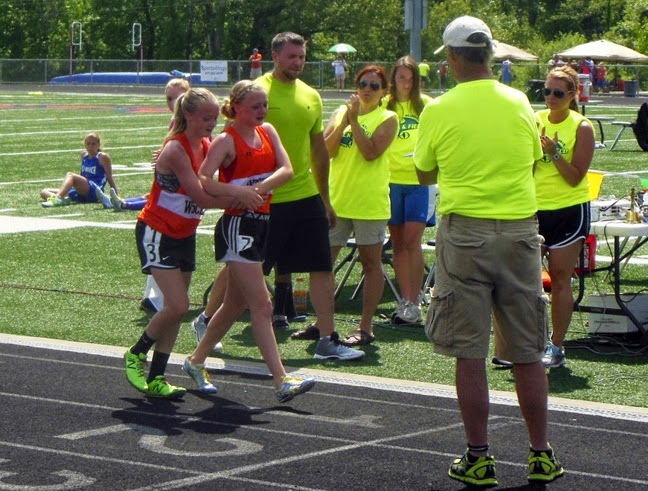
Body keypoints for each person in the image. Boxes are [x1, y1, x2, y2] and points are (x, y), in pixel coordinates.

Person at [414, 16, 564, 487]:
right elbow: (534, 158)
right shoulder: (520, 101)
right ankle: (541, 453)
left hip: (465, 233)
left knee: (469, 351)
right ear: (490, 54)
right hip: (520, 229)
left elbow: (423, 172)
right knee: (526, 351)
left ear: (454, 57)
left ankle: (479, 456)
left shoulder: (439, 108)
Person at [182, 80, 315, 402]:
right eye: (255, 106)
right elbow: (203, 180)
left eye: (264, 105)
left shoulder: (268, 131)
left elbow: (287, 170)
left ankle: (195, 360)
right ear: (237, 107)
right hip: (238, 225)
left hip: (261, 222)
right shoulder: (226, 141)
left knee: (235, 304)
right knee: (263, 305)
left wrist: (255, 189)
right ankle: (281, 379)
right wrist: (237, 192)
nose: (262, 111)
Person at [255, 32, 364, 361]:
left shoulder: (311, 96)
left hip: (305, 194)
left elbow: (319, 151)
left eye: (301, 57)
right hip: (266, 198)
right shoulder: (257, 91)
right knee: (246, 270)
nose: (298, 63)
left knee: (321, 265)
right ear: (275, 56)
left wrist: (326, 199)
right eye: (291, 57)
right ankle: (207, 321)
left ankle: (327, 339)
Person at [124, 88, 235, 399]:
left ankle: (157, 377)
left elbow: (220, 182)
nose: (213, 122)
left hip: (183, 234)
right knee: (179, 306)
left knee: (175, 311)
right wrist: (239, 198)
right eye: (206, 117)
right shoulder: (176, 149)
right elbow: (200, 195)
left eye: (216, 117)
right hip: (158, 231)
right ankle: (136, 353)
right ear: (189, 115)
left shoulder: (207, 145)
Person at [324, 65, 398, 346]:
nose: (367, 89)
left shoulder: (388, 117)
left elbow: (369, 153)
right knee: (323, 264)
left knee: (371, 264)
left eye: (374, 86)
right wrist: (344, 121)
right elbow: (327, 151)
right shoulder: (339, 113)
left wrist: (354, 121)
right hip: (338, 201)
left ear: (384, 92)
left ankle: (365, 327)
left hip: (369, 204)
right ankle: (323, 323)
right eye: (363, 84)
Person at [535, 66, 595, 368]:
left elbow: (575, 177)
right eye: (546, 91)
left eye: (558, 93)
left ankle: (556, 345)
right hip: (535, 208)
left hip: (569, 210)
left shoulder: (582, 127)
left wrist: (555, 153)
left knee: (559, 278)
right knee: (527, 279)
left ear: (572, 95)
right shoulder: (535, 121)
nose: (551, 98)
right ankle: (528, 342)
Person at [385, 56, 433, 325]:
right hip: (391, 182)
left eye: (410, 77)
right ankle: (405, 300)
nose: (405, 83)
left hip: (418, 182)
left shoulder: (425, 105)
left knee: (413, 242)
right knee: (399, 244)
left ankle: (415, 300)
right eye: (401, 77)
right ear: (393, 78)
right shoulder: (385, 104)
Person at [111, 78, 190, 213]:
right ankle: (122, 202)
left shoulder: (189, 120)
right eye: (169, 98)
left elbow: (189, 147)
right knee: (157, 193)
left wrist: (167, 157)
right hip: (176, 168)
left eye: (177, 98)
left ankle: (125, 205)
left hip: (185, 170)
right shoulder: (175, 119)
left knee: (164, 196)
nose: (172, 103)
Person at [40, 133, 117, 208]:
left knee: (70, 175)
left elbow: (109, 177)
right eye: (88, 143)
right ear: (85, 144)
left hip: (95, 191)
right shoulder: (84, 155)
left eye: (93, 144)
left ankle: (58, 199)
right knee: (44, 192)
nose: (90, 146)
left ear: (98, 145)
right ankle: (63, 199)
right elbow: (83, 176)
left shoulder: (102, 157)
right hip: (82, 191)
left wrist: (116, 195)